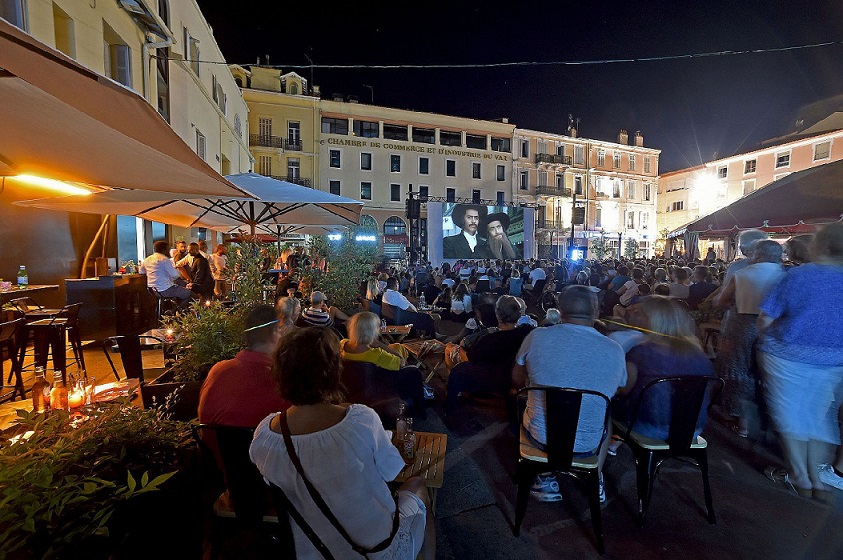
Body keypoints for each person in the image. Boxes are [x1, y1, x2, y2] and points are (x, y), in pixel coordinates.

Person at [249, 327, 435, 559]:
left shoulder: (265, 436)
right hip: (375, 551)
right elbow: (391, 471)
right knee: (418, 485)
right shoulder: (359, 419)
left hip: (314, 552)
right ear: (333, 370)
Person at [513, 285, 627, 502]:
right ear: (596, 311)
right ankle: (595, 476)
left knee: (526, 401)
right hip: (588, 444)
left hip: (540, 437)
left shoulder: (537, 336)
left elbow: (517, 379)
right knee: (606, 415)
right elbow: (617, 389)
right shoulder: (614, 348)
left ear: (560, 311)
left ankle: (543, 474)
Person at [757, 223, 843, 498]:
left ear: (821, 245)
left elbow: (766, 317)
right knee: (818, 415)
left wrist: (764, 339)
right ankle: (816, 478)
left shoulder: (799, 275)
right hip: (833, 358)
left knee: (791, 411)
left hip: (787, 353)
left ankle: (799, 476)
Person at [612, 296, 714, 441]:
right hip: (693, 428)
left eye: (640, 314)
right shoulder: (700, 355)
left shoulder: (641, 353)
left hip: (648, 426)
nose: (634, 315)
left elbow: (623, 389)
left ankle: (608, 445)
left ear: (652, 320)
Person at [714, 239, 786, 437]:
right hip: (774, 327)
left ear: (757, 254)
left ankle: (743, 422)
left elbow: (720, 301)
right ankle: (769, 420)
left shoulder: (742, 274)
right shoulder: (785, 275)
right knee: (769, 372)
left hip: (741, 325)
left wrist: (730, 303)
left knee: (740, 369)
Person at [198, 305, 290, 429]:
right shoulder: (280, 381)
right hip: (258, 441)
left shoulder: (217, 371)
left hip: (212, 442)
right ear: (274, 334)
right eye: (280, 330)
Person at [446, 295, 533, 407]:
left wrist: (461, 349)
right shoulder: (526, 332)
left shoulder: (490, 339)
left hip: (494, 381)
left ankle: (450, 408)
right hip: (518, 378)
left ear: (498, 314)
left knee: (457, 371)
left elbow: (472, 358)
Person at [340, 312, 408, 371]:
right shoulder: (377, 355)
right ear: (372, 331)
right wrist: (382, 345)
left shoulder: (342, 344)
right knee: (398, 347)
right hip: (383, 380)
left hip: (351, 379)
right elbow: (402, 363)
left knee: (396, 346)